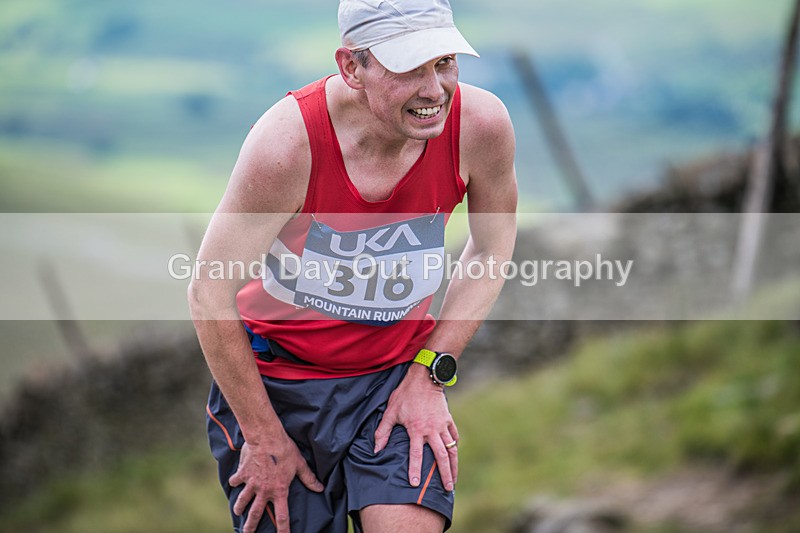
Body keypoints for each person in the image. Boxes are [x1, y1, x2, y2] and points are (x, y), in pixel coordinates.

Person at [188, 0, 517, 531]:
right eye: (408, 69)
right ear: (351, 67)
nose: (434, 90)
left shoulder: (480, 126)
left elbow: (489, 250)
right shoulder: (287, 146)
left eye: (444, 63)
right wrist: (263, 435)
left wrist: (430, 374)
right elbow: (209, 292)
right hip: (278, 384)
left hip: (395, 379)